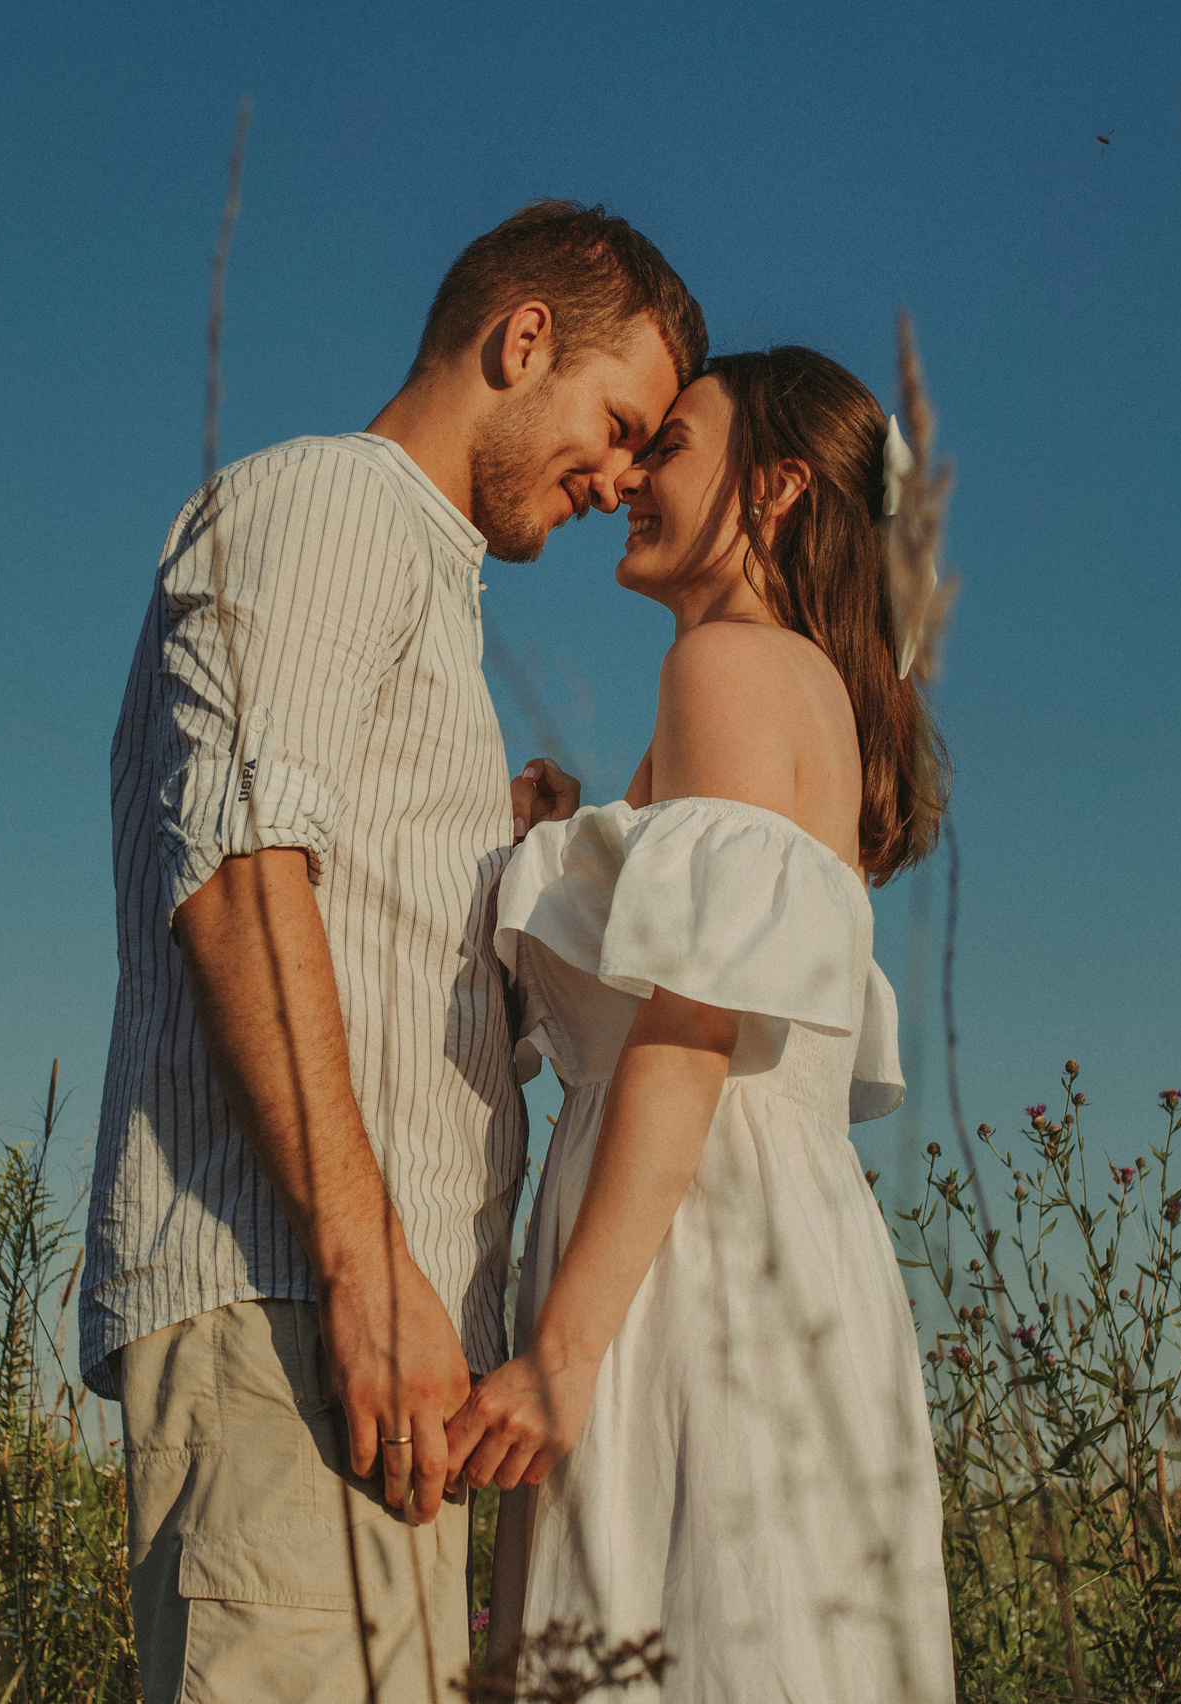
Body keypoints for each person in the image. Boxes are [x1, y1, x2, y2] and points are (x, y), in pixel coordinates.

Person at [83, 201, 705, 1699]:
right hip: (297, 1301)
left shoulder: (414, 574)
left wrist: (486, 858)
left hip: (372, 1340)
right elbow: (234, 872)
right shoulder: (326, 502)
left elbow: (318, 877)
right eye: (621, 424)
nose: (622, 477)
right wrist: (371, 1272)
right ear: (524, 337)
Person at [452, 347, 958, 1701]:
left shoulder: (728, 668)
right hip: (765, 1237)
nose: (628, 476)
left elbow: (690, 1025)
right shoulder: (802, 694)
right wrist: (566, 844)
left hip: (690, 1248)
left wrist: (560, 1356)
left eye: (670, 445)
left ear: (775, 488)